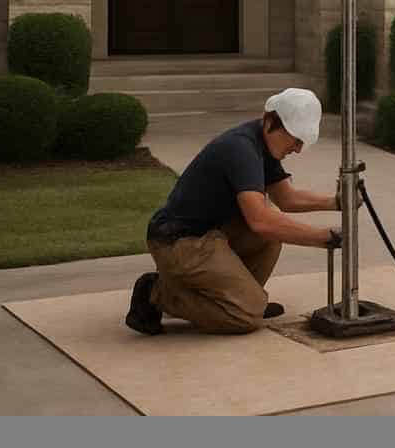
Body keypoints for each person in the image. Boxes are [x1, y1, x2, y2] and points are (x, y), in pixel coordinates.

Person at [125, 88, 344, 336]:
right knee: (246, 316)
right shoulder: (241, 149)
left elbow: (287, 199)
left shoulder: (263, 144)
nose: (298, 148)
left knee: (271, 236)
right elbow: (261, 221)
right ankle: (158, 293)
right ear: (271, 121)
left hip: (210, 235)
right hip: (179, 242)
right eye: (296, 138)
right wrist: (322, 238)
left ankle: (240, 300)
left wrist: (337, 201)